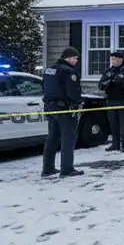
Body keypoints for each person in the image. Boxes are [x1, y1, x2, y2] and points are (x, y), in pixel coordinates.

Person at [42, 46, 84, 178]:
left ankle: (47, 169)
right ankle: (67, 169)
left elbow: (44, 86)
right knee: (68, 138)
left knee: (52, 138)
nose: (76, 61)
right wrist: (79, 102)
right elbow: (73, 93)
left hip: (49, 107)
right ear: (69, 57)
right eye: (75, 58)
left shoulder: (49, 69)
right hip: (65, 110)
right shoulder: (69, 72)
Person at [98, 52, 124, 152]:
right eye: (112, 59)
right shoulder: (109, 71)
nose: (113, 61)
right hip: (111, 101)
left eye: (114, 59)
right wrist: (107, 83)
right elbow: (100, 84)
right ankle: (115, 144)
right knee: (113, 125)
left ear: (120, 60)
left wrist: (122, 84)